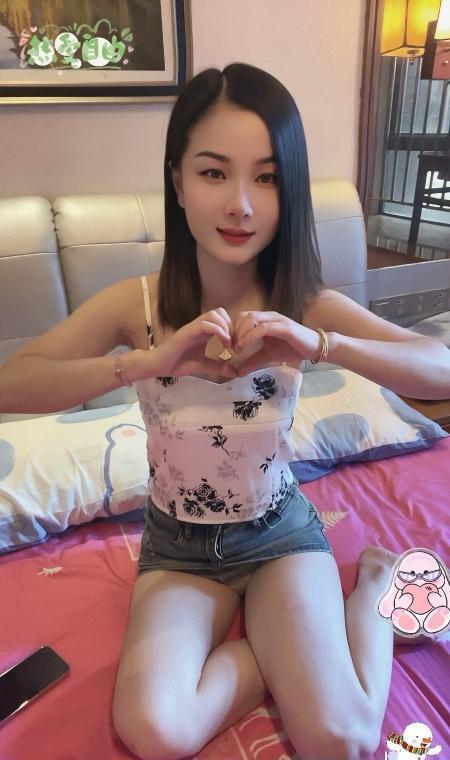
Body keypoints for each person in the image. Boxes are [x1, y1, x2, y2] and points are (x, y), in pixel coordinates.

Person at [1, 62, 449, 760]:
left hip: (278, 534)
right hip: (179, 548)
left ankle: (373, 582)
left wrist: (321, 343)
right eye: (214, 172)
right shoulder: (136, 305)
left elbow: (440, 365)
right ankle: (285, 654)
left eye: (266, 179)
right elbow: (12, 383)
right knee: (156, 731)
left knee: (347, 740)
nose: (240, 204)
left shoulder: (302, 302)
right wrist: (146, 363)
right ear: (178, 181)